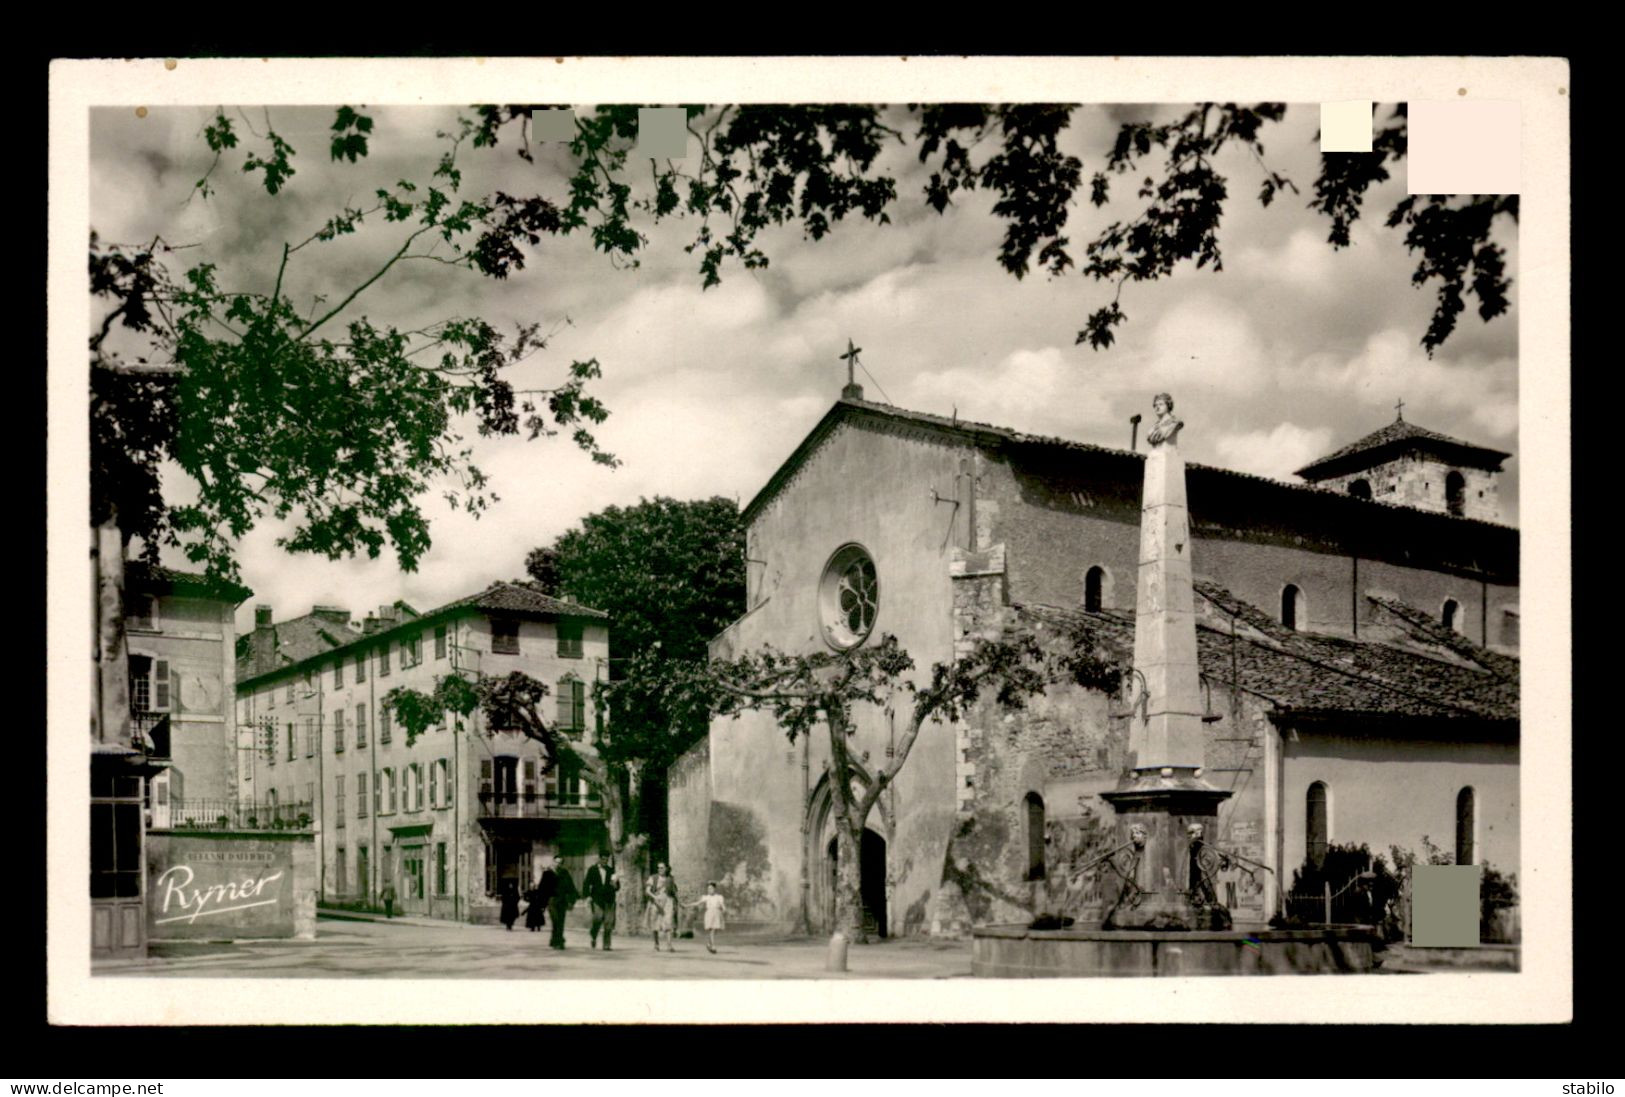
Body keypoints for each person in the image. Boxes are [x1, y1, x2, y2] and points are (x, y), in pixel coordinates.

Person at [582, 850, 619, 950]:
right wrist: (588, 896)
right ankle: (593, 935)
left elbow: (617, 886)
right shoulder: (592, 870)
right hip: (597, 899)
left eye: (606, 860)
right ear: (599, 859)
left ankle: (606, 945)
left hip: (609, 899)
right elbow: (586, 884)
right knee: (598, 918)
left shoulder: (611, 871)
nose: (604, 861)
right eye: (603, 859)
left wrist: (615, 885)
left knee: (608, 922)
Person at [542, 854, 578, 950]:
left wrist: (572, 900)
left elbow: (571, 887)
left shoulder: (565, 873)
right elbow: (542, 889)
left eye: (560, 863)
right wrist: (542, 903)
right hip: (552, 901)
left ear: (562, 864)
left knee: (561, 921)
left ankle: (555, 941)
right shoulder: (547, 873)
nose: (558, 864)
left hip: (562, 900)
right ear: (553, 862)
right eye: (556, 862)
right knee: (556, 920)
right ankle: (559, 940)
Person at [644, 863, 678, 952]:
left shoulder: (670, 879)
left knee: (668, 921)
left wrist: (677, 903)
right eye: (658, 868)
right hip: (656, 901)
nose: (660, 869)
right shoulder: (653, 878)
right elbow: (647, 891)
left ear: (666, 868)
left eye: (662, 868)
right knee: (655, 922)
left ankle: (669, 945)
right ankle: (656, 944)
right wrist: (655, 897)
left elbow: (674, 892)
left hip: (668, 901)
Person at [687, 881, 728, 953]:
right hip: (709, 914)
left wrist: (724, 909)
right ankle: (713, 946)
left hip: (717, 913)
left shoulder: (719, 897)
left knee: (715, 930)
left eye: (711, 888)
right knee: (712, 930)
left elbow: (722, 905)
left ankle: (709, 944)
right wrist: (687, 905)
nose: (709, 890)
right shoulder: (706, 897)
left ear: (715, 889)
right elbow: (697, 903)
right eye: (708, 889)